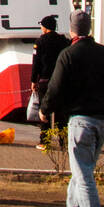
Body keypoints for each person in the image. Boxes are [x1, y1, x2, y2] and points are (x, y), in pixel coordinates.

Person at [39, 9, 104, 207]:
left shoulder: (68, 55)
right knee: (83, 168)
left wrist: (45, 109)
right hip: (103, 118)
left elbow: (55, 87)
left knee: (84, 173)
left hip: (80, 119)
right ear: (90, 28)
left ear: (71, 29)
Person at [31, 15, 70, 147]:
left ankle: (45, 141)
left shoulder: (40, 42)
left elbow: (36, 63)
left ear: (46, 27)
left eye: (41, 25)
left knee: (44, 110)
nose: (41, 28)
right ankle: (63, 141)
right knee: (61, 112)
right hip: (61, 81)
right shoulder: (64, 41)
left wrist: (33, 80)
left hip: (45, 80)